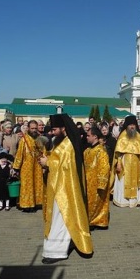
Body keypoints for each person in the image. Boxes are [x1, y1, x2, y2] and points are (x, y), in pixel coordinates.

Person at [38, 113, 93, 264]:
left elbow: (66, 168)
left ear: (63, 128)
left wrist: (47, 162)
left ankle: (56, 252)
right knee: (61, 218)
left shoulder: (67, 145)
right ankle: (70, 241)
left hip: (64, 190)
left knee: (61, 219)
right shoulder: (61, 142)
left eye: (54, 129)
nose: (52, 132)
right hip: (59, 187)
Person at [109, 115, 140, 208]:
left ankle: (134, 201)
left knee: (135, 181)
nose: (132, 126)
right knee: (122, 181)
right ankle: (123, 201)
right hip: (124, 162)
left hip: (135, 162)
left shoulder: (138, 136)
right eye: (130, 125)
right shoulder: (122, 135)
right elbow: (118, 152)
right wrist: (118, 163)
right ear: (126, 125)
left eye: (133, 124)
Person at [13, 120, 45, 212]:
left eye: (35, 128)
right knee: (27, 186)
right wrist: (16, 167)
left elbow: (43, 152)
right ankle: (27, 205)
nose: (34, 130)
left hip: (37, 166)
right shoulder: (24, 139)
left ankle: (36, 203)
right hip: (26, 166)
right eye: (32, 128)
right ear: (28, 128)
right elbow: (19, 154)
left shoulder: (39, 139)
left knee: (37, 185)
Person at [84, 127, 110, 230]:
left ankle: (95, 222)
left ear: (95, 137)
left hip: (96, 182)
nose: (86, 137)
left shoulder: (101, 151)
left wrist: (101, 183)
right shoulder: (87, 150)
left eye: (88, 135)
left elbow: (104, 168)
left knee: (96, 203)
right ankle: (90, 220)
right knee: (89, 202)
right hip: (87, 182)